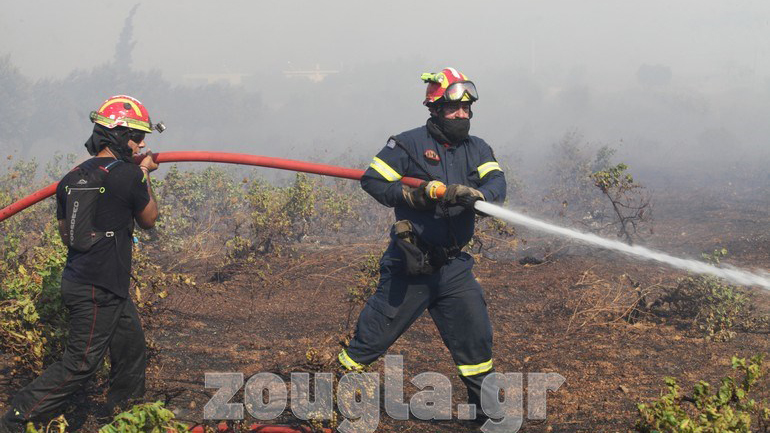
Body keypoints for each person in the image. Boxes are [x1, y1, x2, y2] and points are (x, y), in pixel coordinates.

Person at [338, 67, 506, 422]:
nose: (462, 115)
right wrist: (414, 196)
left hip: (454, 268)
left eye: (466, 108)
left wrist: (477, 196)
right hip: (411, 264)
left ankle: (488, 419)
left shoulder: (478, 148)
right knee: (368, 342)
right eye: (454, 108)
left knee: (476, 343)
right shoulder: (407, 144)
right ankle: (325, 402)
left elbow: (497, 186)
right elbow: (373, 180)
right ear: (436, 108)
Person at [1, 95, 163, 432]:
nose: (142, 144)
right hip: (98, 289)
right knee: (80, 365)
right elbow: (149, 219)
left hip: (92, 282)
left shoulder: (70, 178)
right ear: (119, 135)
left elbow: (67, 235)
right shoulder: (129, 175)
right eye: (137, 136)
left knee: (131, 347)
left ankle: (126, 417)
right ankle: (16, 418)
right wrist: (144, 172)